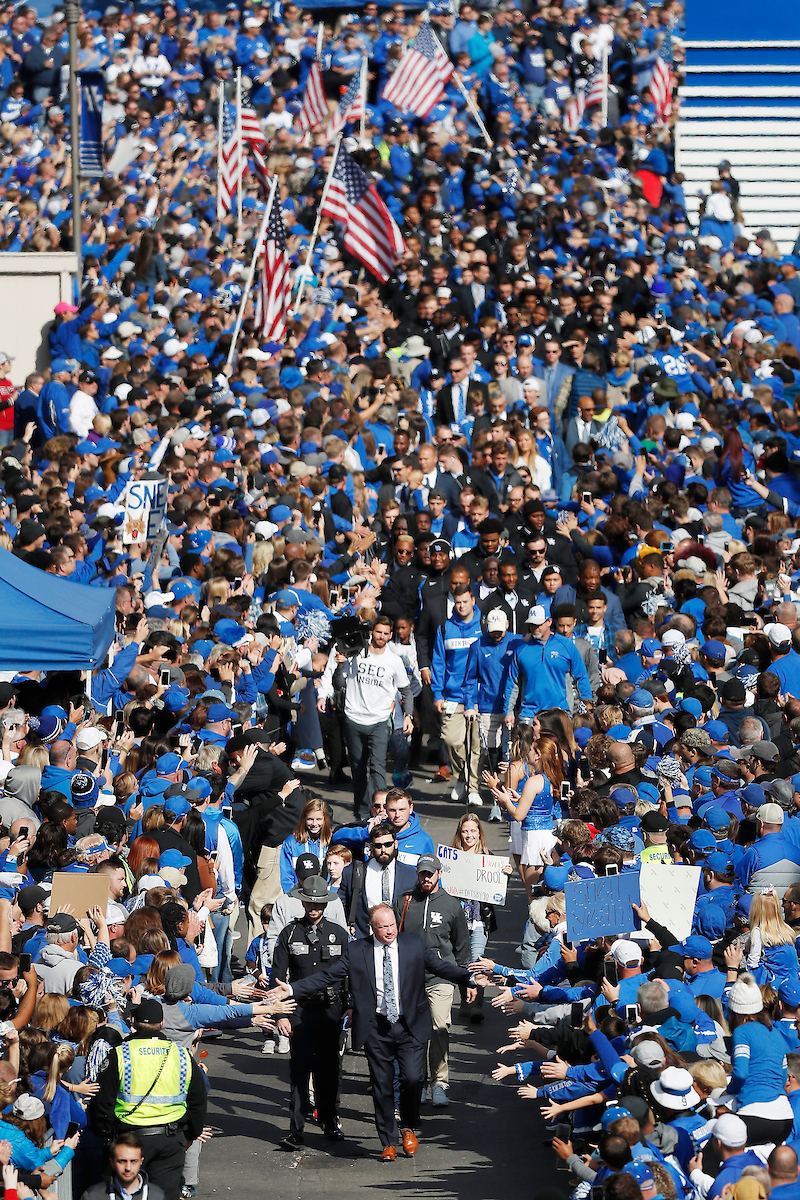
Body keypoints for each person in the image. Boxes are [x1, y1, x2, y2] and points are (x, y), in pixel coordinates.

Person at [267, 904, 473, 1161]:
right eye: (382, 927)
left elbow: (441, 967)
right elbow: (328, 975)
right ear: (372, 928)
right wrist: (293, 989)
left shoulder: (413, 945)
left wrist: (470, 979)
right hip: (376, 1027)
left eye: (391, 925)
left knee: (411, 1078)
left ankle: (408, 1125)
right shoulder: (357, 951)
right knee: (381, 1085)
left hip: (409, 1024)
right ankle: (388, 1141)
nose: (389, 931)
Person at [91, 999, 208, 1200]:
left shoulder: (119, 1054)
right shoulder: (181, 1055)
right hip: (170, 1138)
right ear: (162, 1024)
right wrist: (192, 1135)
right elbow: (198, 1100)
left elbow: (102, 1100)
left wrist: (103, 1131)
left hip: (128, 1137)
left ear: (133, 1022)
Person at [270, 875, 349, 1150]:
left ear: (326, 904)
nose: (314, 908)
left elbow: (349, 975)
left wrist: (349, 1007)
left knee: (329, 1069)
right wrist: (279, 1015)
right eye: (310, 903)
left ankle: (330, 1121)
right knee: (299, 1070)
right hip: (300, 1010)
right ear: (302, 901)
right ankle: (296, 1129)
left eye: (319, 903)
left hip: (331, 1010)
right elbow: (277, 977)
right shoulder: (290, 934)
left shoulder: (339, 934)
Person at [318, 616, 413, 822]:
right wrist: (336, 671)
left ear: (390, 635)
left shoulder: (394, 661)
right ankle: (361, 813)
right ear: (372, 633)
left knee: (377, 767)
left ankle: (380, 812)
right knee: (358, 769)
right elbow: (335, 679)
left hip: (379, 721)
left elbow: (406, 691)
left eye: (385, 633)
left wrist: (408, 716)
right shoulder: (355, 651)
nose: (381, 636)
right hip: (354, 718)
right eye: (378, 632)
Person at [394, 854, 471, 1107]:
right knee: (415, 1032)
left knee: (440, 1027)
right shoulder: (405, 901)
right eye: (422, 873)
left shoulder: (451, 905)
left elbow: (462, 948)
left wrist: (467, 982)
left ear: (439, 873)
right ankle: (420, 1082)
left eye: (430, 873)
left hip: (441, 977)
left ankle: (440, 1082)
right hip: (410, 978)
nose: (425, 877)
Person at [79, 1132, 166, 1200]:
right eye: (122, 1161)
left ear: (141, 1161)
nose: (128, 1168)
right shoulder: (93, 1196)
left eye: (133, 1161)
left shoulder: (157, 1196)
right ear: (112, 1162)